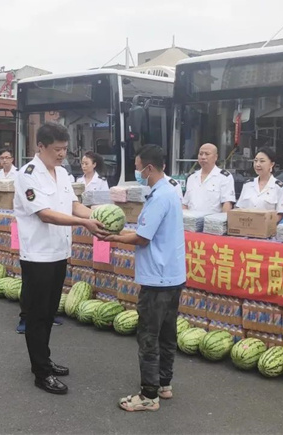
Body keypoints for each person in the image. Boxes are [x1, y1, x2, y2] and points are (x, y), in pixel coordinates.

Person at [14, 123, 107, 395]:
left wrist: (97, 216)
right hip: (38, 255)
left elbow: (72, 205)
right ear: (40, 146)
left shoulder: (63, 173)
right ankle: (41, 373)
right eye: (56, 149)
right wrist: (83, 223)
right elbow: (44, 214)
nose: (61, 154)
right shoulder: (27, 175)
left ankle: (44, 358)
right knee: (37, 315)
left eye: (65, 149)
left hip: (59, 252)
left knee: (49, 312)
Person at [104, 144, 186, 412]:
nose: (137, 172)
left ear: (149, 168)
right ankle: (164, 384)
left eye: (138, 168)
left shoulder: (160, 196)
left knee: (149, 337)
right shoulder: (171, 189)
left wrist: (113, 237)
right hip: (173, 275)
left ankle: (149, 395)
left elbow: (142, 238)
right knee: (167, 334)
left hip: (157, 279)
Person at [236, 147, 283, 223]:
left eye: (262, 161)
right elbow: (239, 209)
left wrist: (266, 225)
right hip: (246, 226)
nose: (257, 164)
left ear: (272, 164)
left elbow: (280, 213)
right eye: (255, 161)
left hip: (267, 228)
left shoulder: (280, 187)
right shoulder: (247, 184)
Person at [182, 143, 236, 214]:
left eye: (207, 154)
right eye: (201, 154)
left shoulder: (224, 177)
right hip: (191, 220)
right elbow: (185, 204)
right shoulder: (191, 177)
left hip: (213, 220)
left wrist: (223, 219)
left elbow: (227, 204)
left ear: (215, 157)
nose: (203, 157)